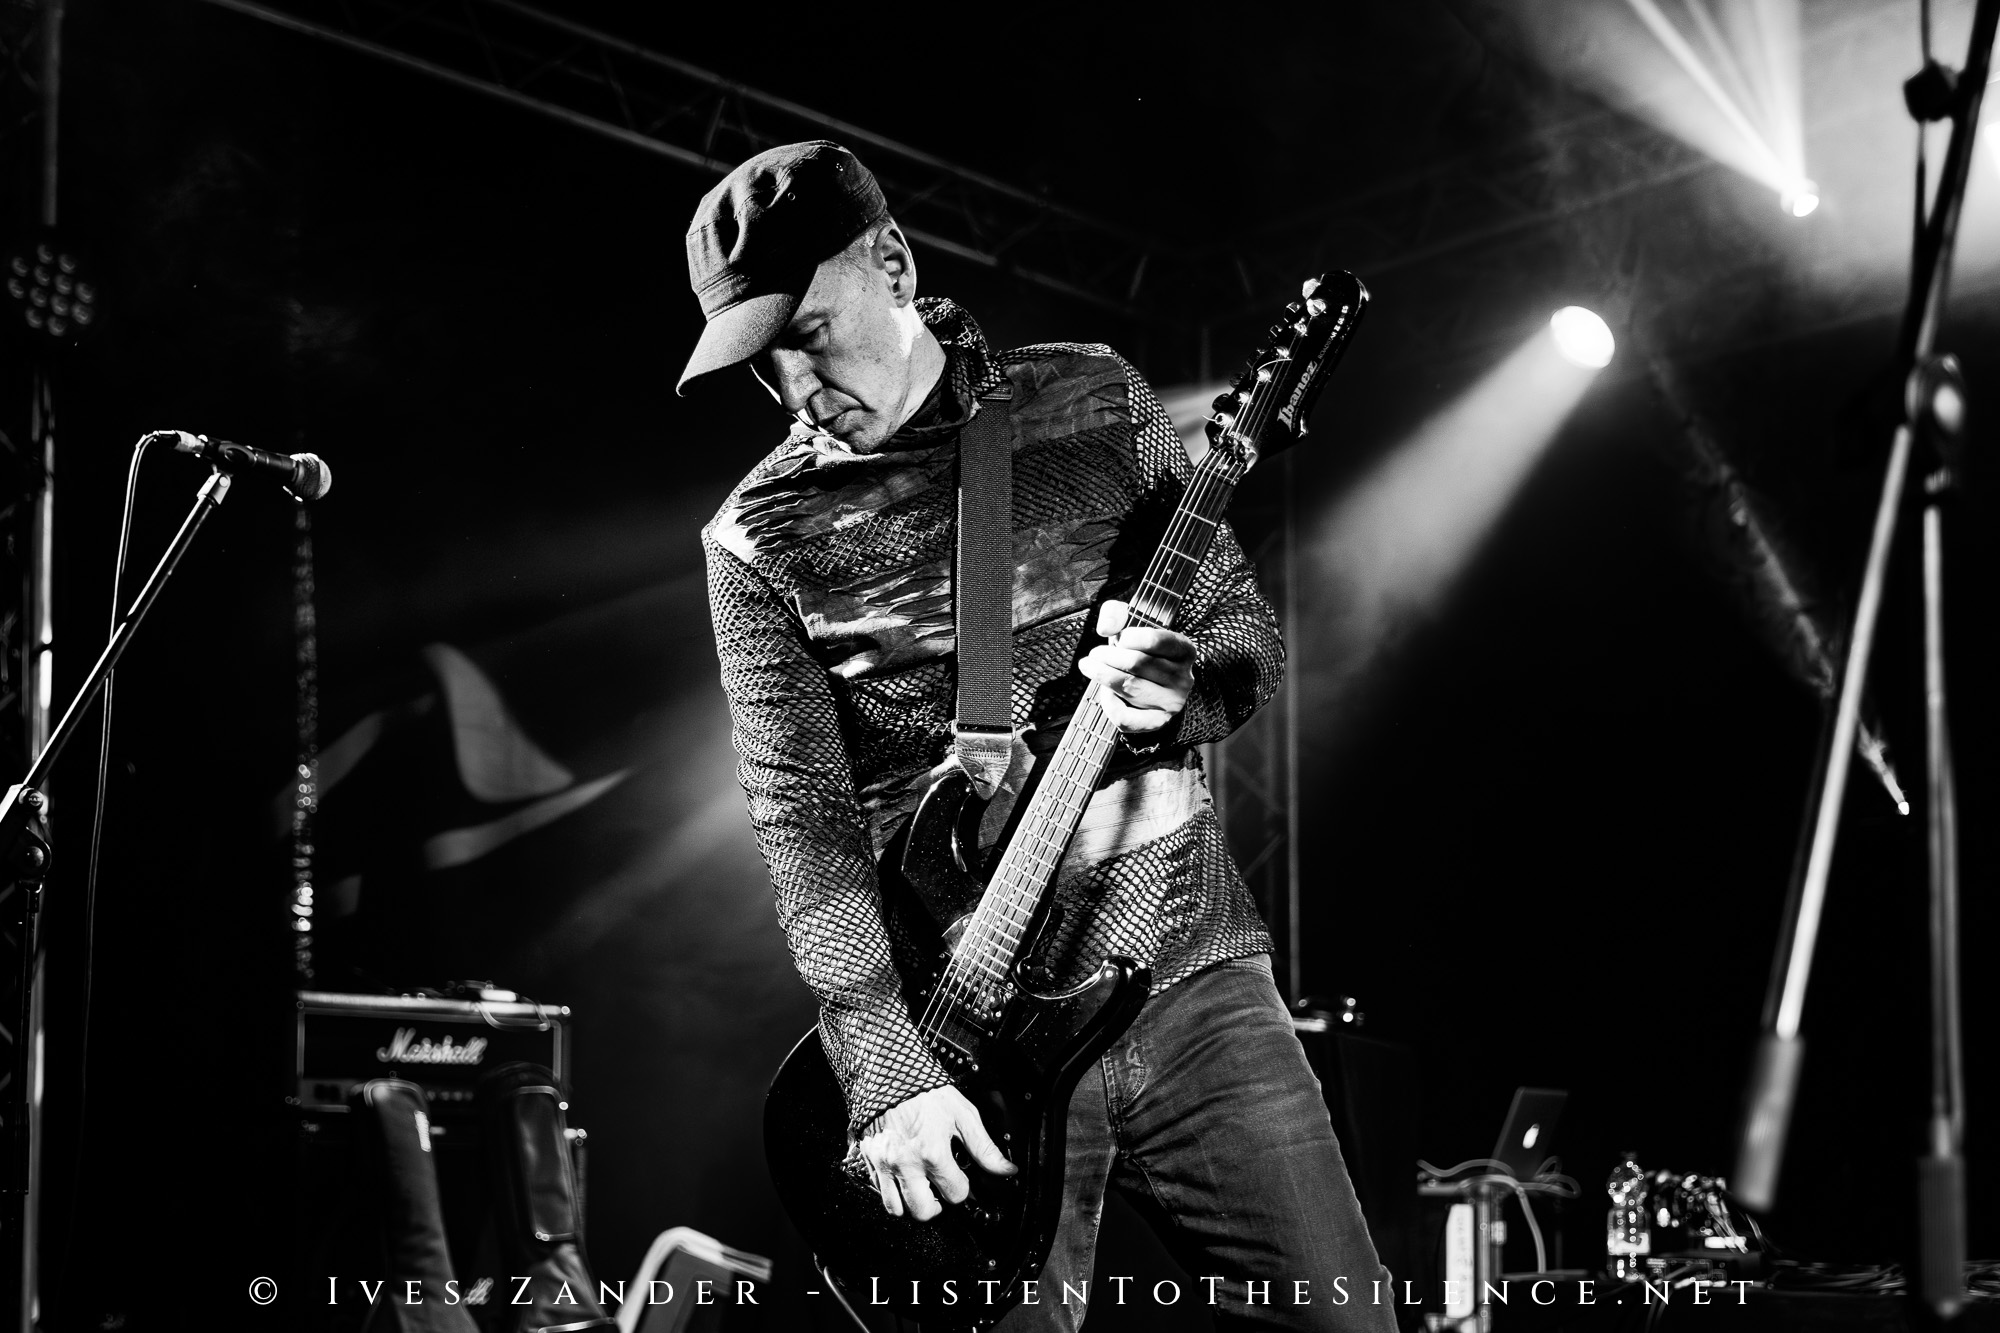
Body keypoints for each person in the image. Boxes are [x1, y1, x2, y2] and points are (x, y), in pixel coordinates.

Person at [685, 140, 1393, 1332]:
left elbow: (1244, 642)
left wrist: (1184, 681)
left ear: (893, 264)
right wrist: (889, 1073)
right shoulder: (755, 536)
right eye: (760, 366)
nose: (796, 389)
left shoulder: (1093, 398)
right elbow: (801, 833)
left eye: (805, 333)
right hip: (957, 1038)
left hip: (1184, 971)